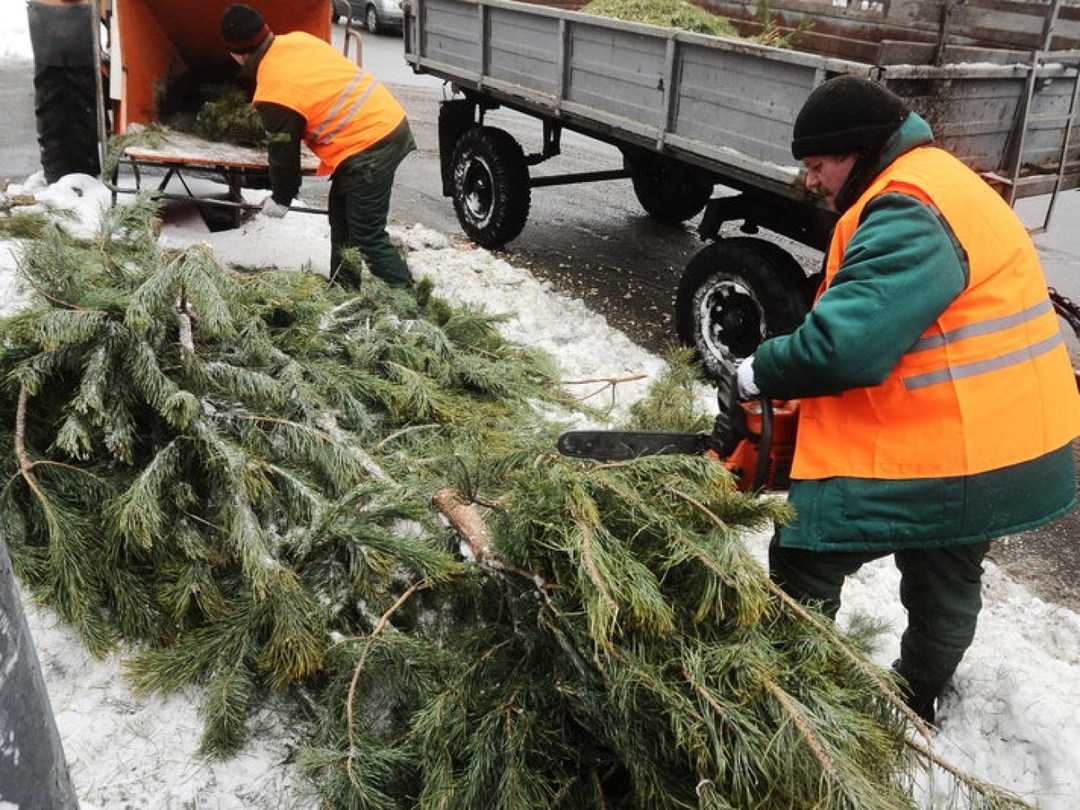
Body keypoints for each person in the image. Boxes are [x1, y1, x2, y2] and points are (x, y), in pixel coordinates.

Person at [734, 76, 1080, 723]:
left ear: (857, 150)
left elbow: (846, 349)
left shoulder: (905, 207)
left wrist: (762, 369)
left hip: (952, 448)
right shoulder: (942, 179)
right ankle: (919, 694)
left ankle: (785, 703)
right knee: (946, 566)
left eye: (816, 166)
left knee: (807, 546)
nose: (809, 181)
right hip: (1017, 442)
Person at [220, 4, 415, 290]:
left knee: (366, 235)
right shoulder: (299, 40)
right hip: (382, 124)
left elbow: (284, 156)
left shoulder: (273, 90)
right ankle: (342, 292)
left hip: (370, 144)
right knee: (342, 220)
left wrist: (282, 198)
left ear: (237, 54)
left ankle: (411, 307)